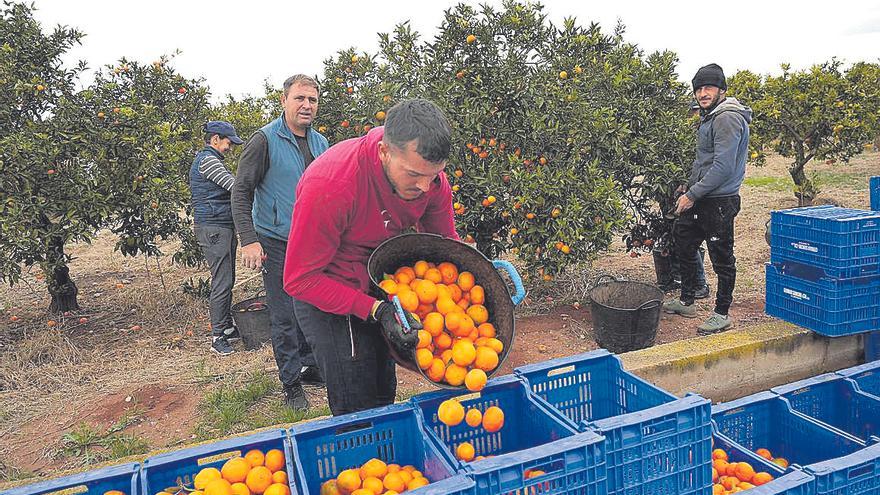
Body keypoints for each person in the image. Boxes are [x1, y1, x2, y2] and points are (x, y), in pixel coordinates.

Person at [283, 99, 459, 416]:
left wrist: (474, 275)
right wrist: (376, 310)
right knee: (356, 396)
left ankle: (386, 458)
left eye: (433, 176)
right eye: (414, 175)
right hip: (326, 285)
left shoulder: (431, 182)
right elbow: (300, 279)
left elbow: (445, 245)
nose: (424, 186)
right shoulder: (331, 185)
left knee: (382, 387)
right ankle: (358, 458)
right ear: (383, 152)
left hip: (375, 280)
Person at [232, 74, 329, 411]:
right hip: (274, 240)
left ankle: (311, 366)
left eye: (312, 100)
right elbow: (240, 191)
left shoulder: (321, 143)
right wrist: (248, 240)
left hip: (310, 243)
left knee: (311, 307)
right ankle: (291, 384)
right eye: (300, 98)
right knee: (284, 314)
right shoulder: (265, 140)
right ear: (284, 101)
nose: (306, 105)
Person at [663, 63, 752, 334]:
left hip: (719, 201)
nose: (702, 93)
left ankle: (721, 312)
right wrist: (688, 186)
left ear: (721, 90)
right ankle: (687, 300)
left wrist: (693, 194)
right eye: (699, 88)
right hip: (703, 196)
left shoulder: (726, 118)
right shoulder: (710, 116)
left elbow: (723, 167)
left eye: (708, 87)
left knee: (722, 257)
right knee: (684, 242)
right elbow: (705, 160)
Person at [191, 121, 244, 356]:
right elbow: (234, 186)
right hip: (214, 228)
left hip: (220, 226)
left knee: (227, 278)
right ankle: (217, 336)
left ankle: (227, 326)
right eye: (228, 142)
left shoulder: (210, 160)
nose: (229, 147)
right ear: (215, 139)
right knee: (222, 281)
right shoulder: (208, 161)